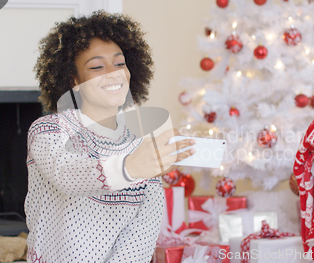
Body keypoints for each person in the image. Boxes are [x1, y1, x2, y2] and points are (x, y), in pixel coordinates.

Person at [25, 10, 195, 262]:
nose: (113, 73)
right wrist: (129, 167)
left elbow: (141, 238)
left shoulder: (141, 147)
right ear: (74, 80)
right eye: (96, 67)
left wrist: (139, 164)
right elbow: (66, 173)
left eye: (119, 63)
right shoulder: (50, 130)